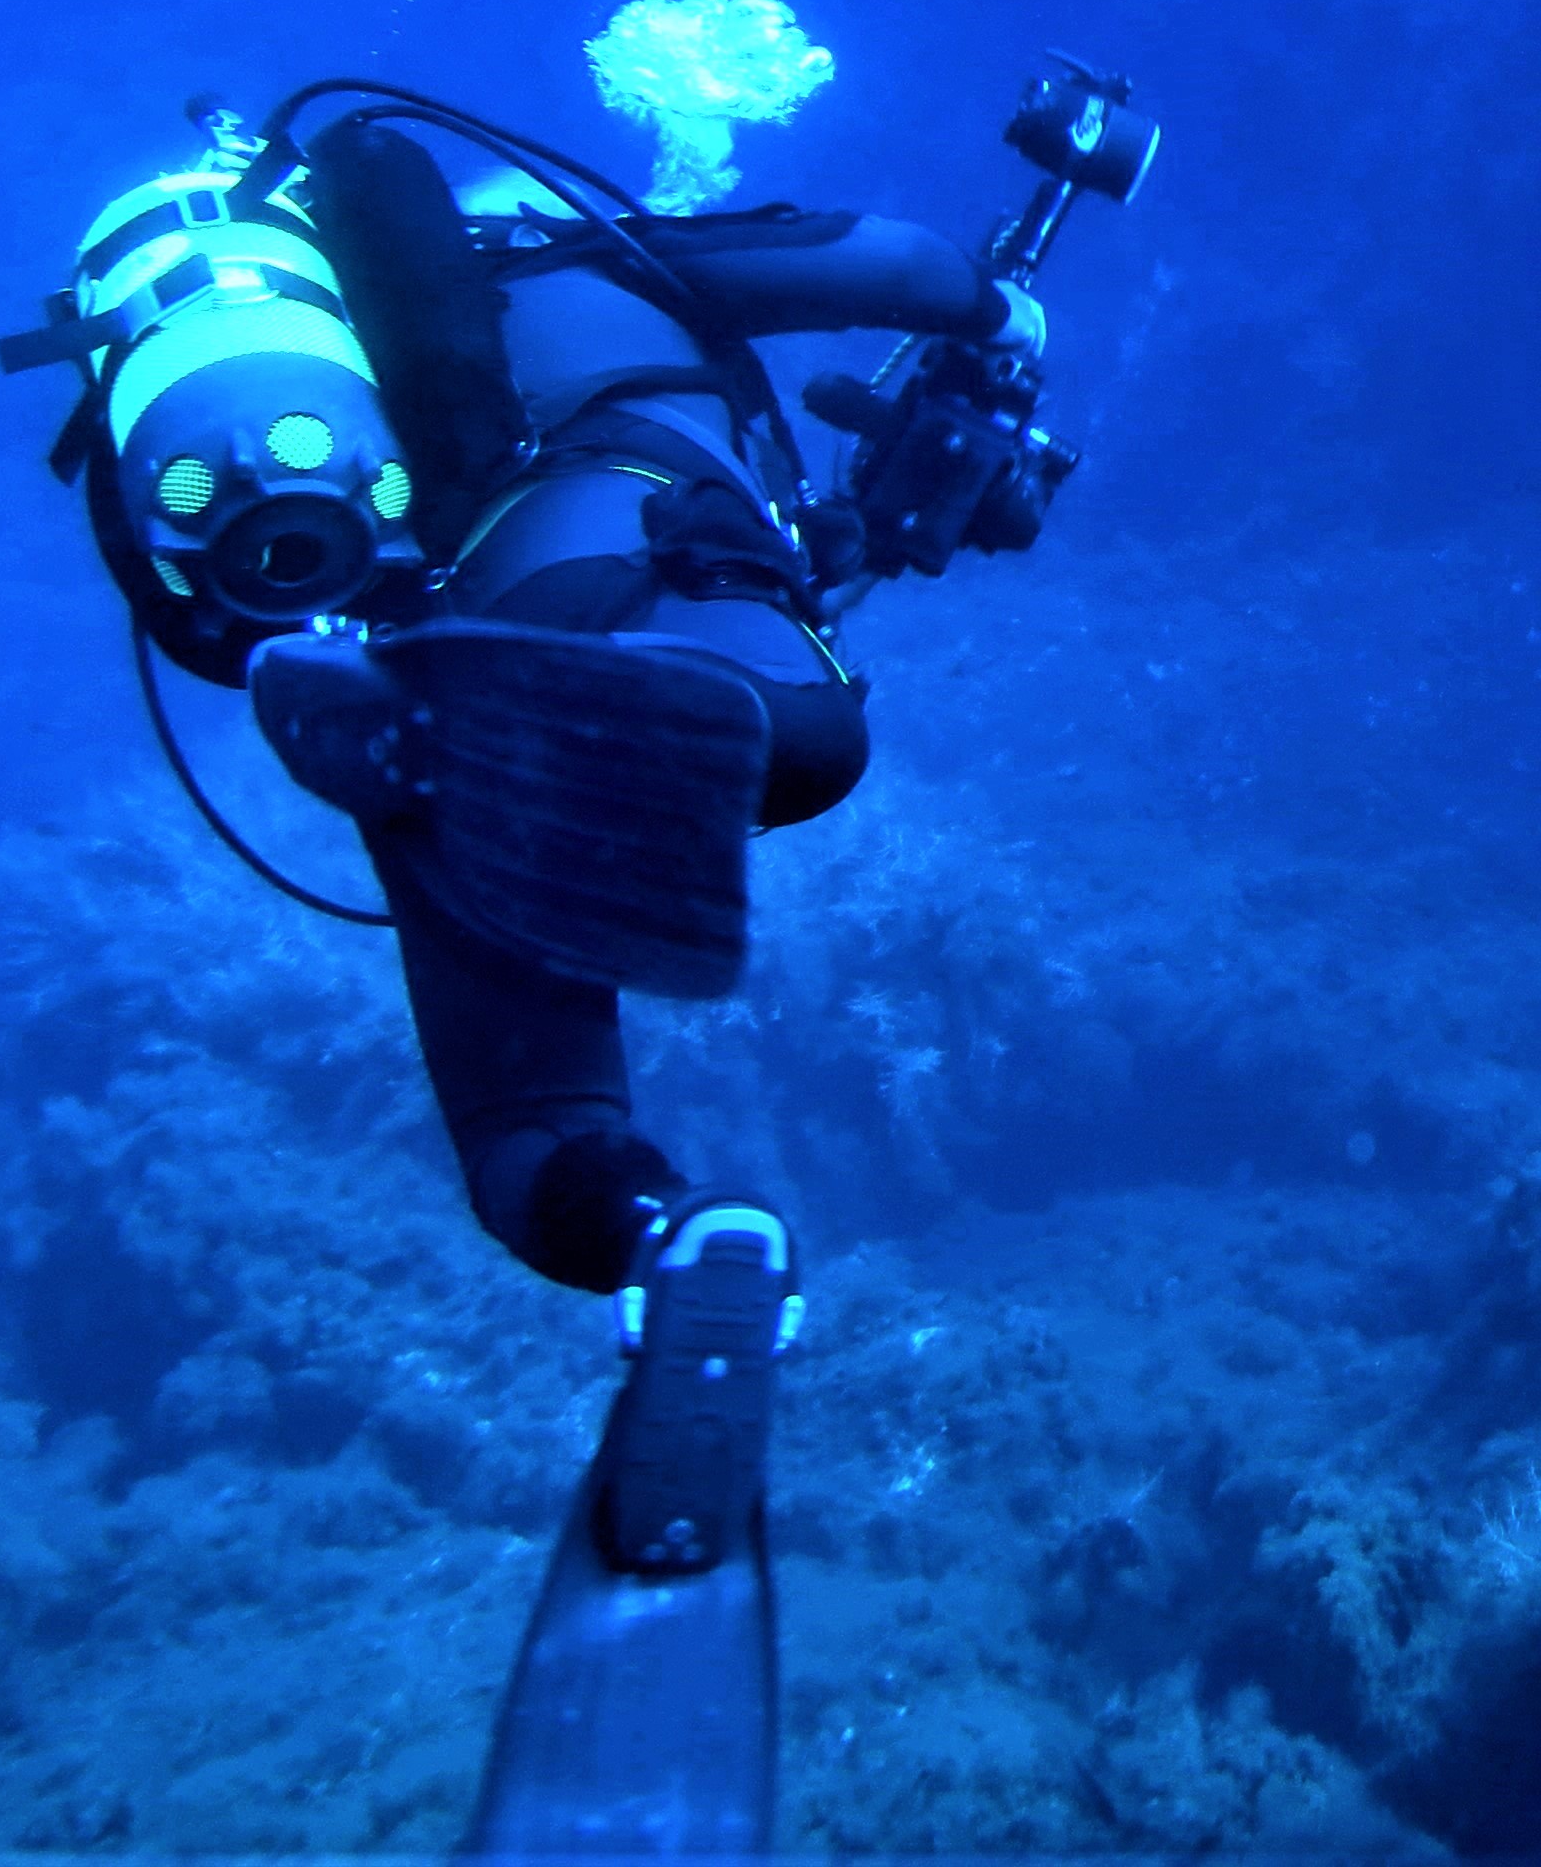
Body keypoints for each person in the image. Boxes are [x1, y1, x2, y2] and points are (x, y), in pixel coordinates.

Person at [234, 99, 1049, 1574]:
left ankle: (663, 1237)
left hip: (467, 665)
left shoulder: (349, 364)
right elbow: (902, 268)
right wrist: (1005, 311)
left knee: (532, 1133)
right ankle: (492, 720)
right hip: (630, 564)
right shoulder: (598, 255)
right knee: (809, 738)